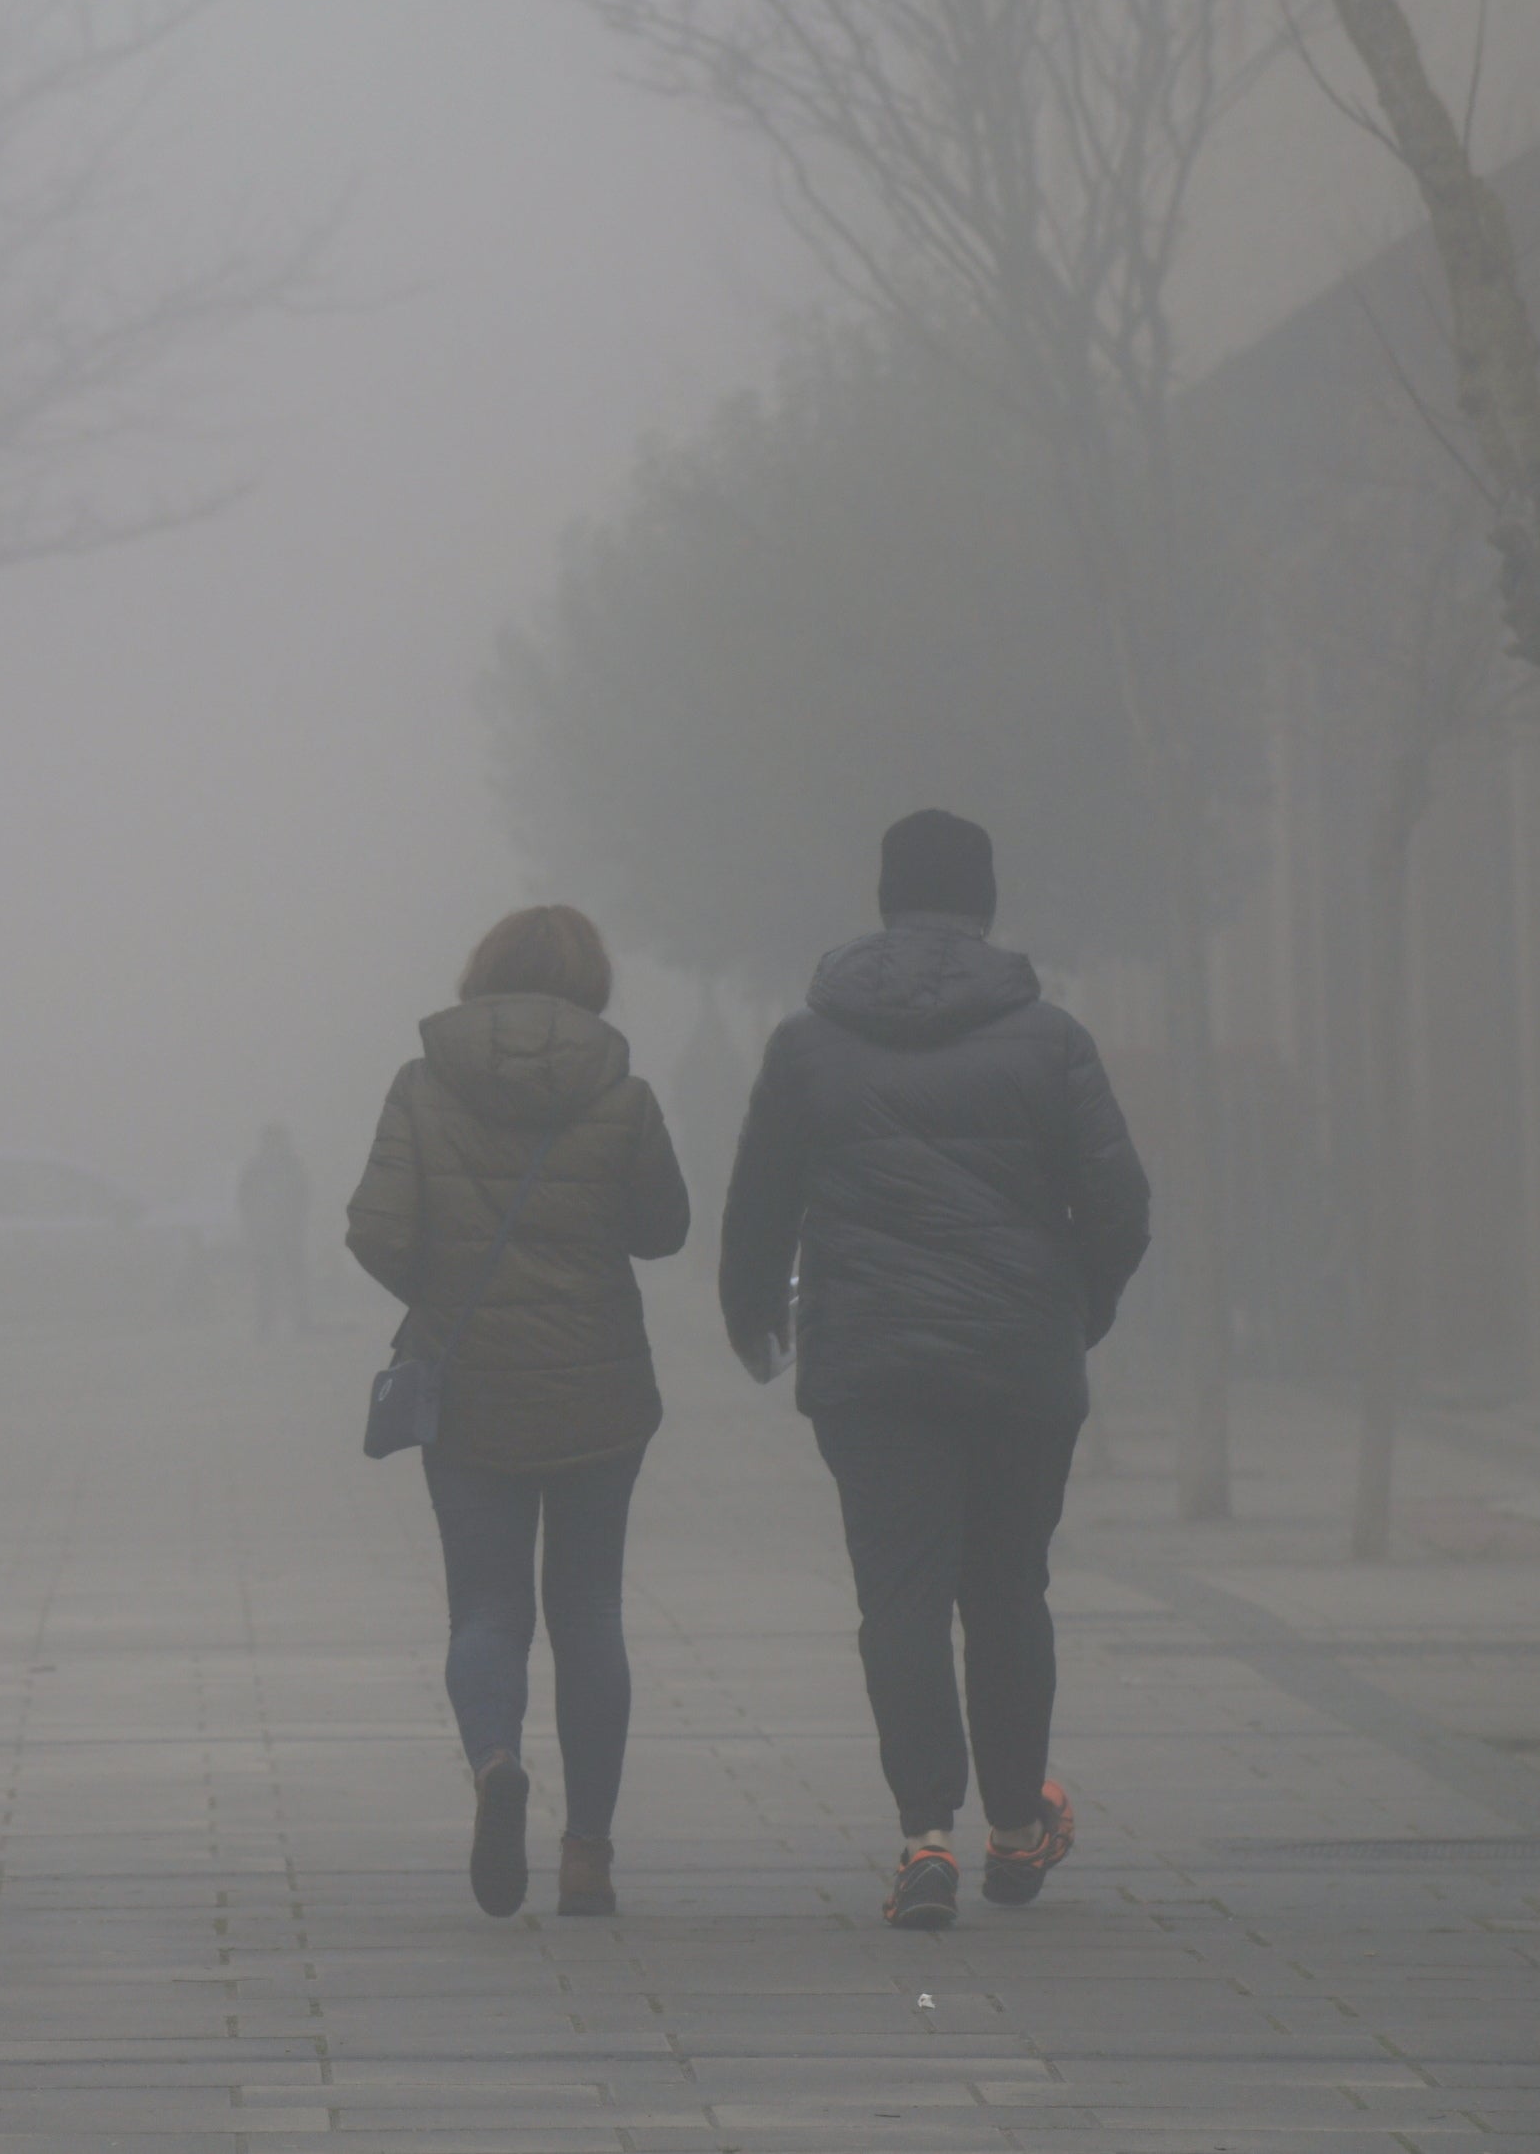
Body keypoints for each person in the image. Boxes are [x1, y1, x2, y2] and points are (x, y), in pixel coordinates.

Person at [720, 810, 1149, 1931]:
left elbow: (756, 1203)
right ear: (986, 903)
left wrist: (754, 1319)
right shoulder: (1048, 1039)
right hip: (1018, 1356)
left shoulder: (807, 1043)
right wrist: (1075, 1308)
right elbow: (1118, 1202)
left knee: (898, 1591)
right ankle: (1016, 1824)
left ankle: (923, 1837)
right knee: (1006, 1587)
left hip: (868, 1363)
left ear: (881, 900)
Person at [347, 905, 688, 1919]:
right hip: (597, 1388)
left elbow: (375, 1228)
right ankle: (586, 1853)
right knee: (588, 1614)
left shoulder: (421, 1083)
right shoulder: (619, 1093)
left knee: (487, 1607)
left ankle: (494, 1757)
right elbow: (663, 1228)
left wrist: (439, 1290)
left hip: (469, 1386)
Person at [237, 1123, 313, 1339]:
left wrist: (296, 1223)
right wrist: (253, 1224)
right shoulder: (256, 1169)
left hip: (288, 1231)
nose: (274, 1145)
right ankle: (265, 1323)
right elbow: (245, 1199)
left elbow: (303, 1197)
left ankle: (300, 1320)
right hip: (265, 1233)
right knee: (266, 1280)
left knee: (294, 1277)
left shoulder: (292, 1166)